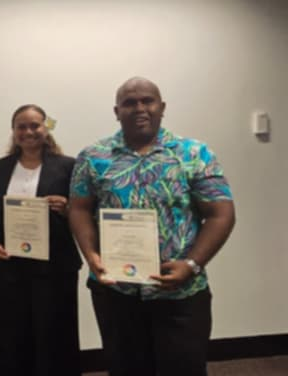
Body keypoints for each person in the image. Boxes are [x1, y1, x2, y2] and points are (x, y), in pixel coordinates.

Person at [68, 77, 236, 376]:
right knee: (125, 368)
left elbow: (221, 214)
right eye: (129, 103)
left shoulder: (194, 154)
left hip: (180, 293)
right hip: (116, 291)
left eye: (148, 101)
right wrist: (91, 255)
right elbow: (79, 208)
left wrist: (192, 265)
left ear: (162, 107)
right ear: (117, 111)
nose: (140, 108)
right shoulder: (93, 156)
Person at [0, 104, 81, 376]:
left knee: (54, 334)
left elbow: (84, 212)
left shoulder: (68, 166)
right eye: (21, 126)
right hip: (11, 266)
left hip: (55, 267)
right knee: (13, 335)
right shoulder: (0, 167)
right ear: (13, 131)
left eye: (35, 125)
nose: (28, 132)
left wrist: (68, 208)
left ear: (45, 128)